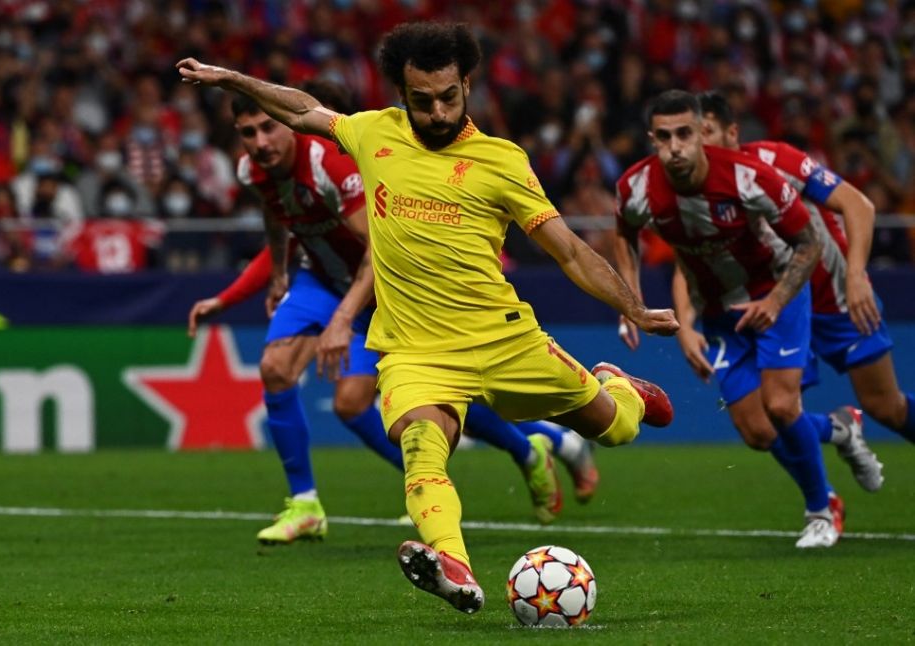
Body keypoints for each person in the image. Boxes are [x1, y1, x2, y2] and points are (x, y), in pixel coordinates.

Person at [178, 22, 677, 614]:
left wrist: (634, 307)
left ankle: (623, 390)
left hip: (504, 341)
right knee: (421, 442)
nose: (437, 112)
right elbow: (305, 111)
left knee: (614, 430)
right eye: (422, 100)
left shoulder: (501, 161)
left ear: (467, 84)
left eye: (449, 97)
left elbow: (568, 250)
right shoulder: (374, 134)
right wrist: (234, 78)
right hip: (416, 351)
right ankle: (454, 564)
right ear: (401, 93)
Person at [186, 93, 598, 547]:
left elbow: (373, 253)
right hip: (322, 280)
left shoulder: (329, 165)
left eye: (268, 127)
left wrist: (343, 320)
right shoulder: (253, 171)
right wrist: (274, 277)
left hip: (380, 287)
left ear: (290, 125)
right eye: (248, 133)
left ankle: (528, 446)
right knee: (276, 370)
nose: (261, 142)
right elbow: (278, 218)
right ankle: (306, 504)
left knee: (405, 396)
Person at [614, 89, 841, 550]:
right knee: (758, 432)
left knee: (780, 406)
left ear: (702, 134)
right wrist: (630, 303)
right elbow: (624, 234)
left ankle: (822, 509)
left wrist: (776, 302)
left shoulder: (749, 177)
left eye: (684, 134)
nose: (674, 145)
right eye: (663, 136)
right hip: (719, 311)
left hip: (773, 293)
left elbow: (809, 241)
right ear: (651, 139)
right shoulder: (635, 187)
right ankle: (841, 427)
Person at [694, 90, 915, 449]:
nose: (698, 144)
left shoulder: (775, 159)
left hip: (838, 297)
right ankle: (836, 444)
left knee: (886, 407)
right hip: (781, 304)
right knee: (764, 424)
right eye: (691, 134)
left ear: (732, 133)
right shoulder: (697, 193)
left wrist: (856, 275)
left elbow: (859, 206)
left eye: (706, 131)